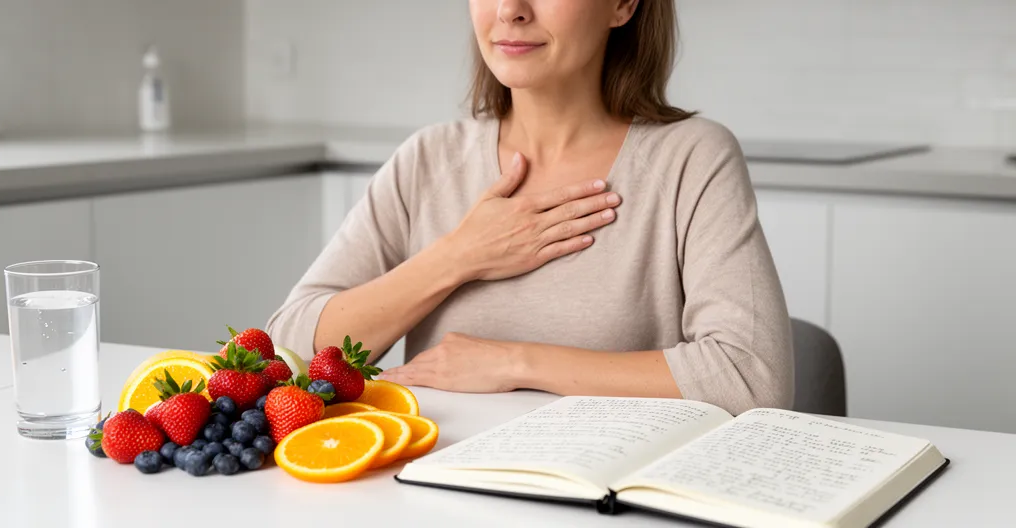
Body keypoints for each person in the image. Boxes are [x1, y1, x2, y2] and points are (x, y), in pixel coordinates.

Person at [267, 0, 794, 415]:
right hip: (439, 491)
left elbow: (751, 376)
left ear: (624, 5)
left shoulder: (691, 158)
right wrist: (458, 257)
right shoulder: (427, 161)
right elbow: (287, 350)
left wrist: (514, 362)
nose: (510, 9)